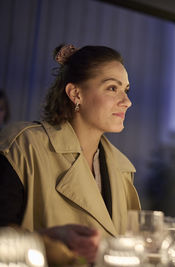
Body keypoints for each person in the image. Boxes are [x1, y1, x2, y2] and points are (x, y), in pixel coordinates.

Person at [0, 44, 141, 263]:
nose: (127, 101)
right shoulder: (22, 146)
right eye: (113, 88)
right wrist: (45, 242)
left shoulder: (123, 169)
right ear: (76, 94)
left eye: (126, 90)